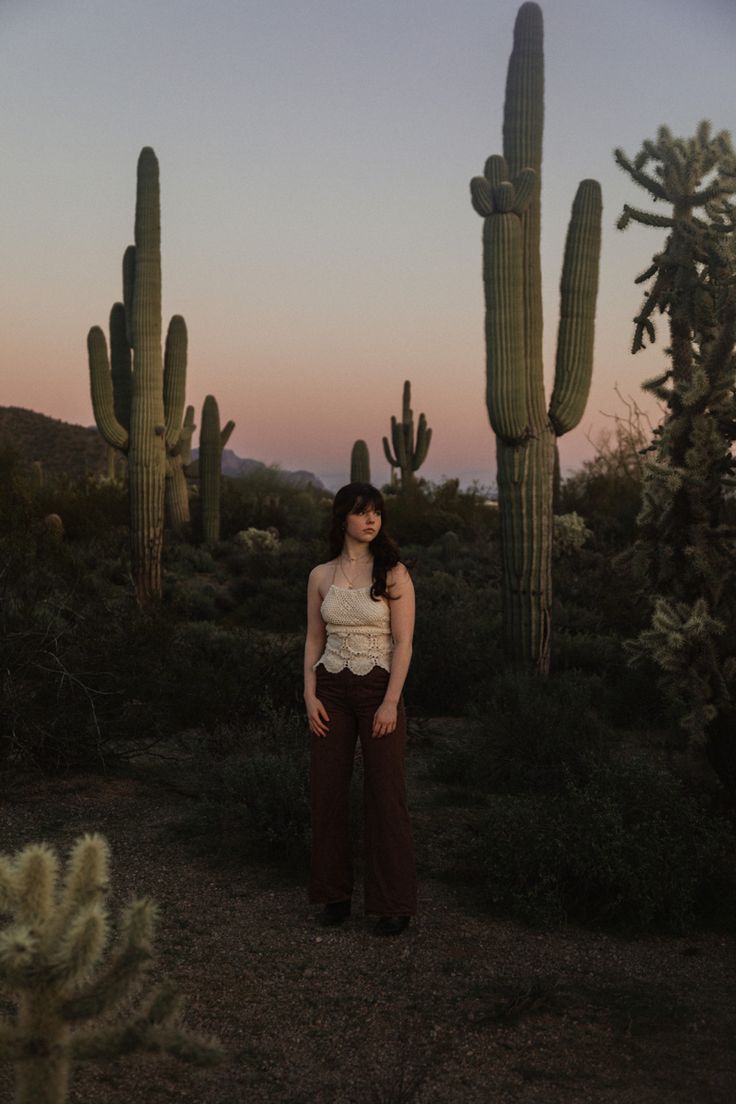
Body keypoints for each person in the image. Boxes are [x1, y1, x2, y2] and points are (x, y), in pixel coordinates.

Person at [303, 482, 417, 936]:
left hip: (377, 690)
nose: (371, 520)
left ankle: (392, 904)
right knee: (328, 792)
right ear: (342, 519)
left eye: (377, 512)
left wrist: (391, 701)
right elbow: (313, 639)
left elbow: (404, 643)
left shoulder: (393, 573)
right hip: (329, 688)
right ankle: (333, 897)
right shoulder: (320, 575)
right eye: (361, 512)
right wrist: (309, 695)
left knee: (386, 795)